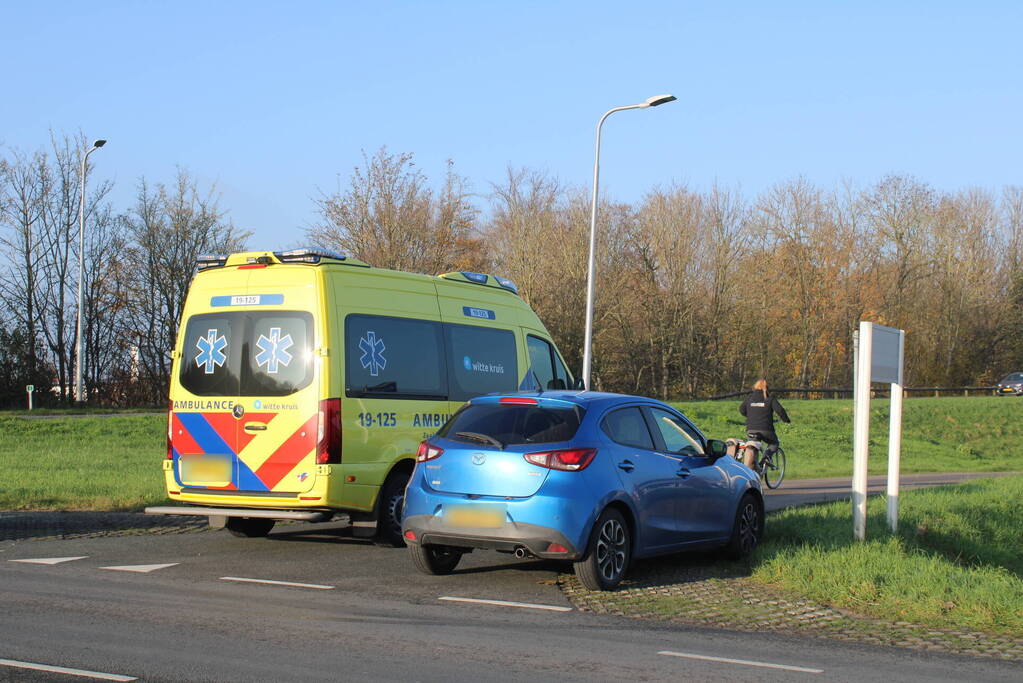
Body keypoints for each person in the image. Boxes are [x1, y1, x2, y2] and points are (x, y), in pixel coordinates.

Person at [739, 379, 790, 470]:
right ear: (766, 388)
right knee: (774, 443)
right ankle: (766, 457)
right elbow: (780, 410)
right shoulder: (770, 399)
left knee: (752, 446)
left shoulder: (749, 398)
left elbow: (742, 410)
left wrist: (751, 416)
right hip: (767, 430)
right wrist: (786, 420)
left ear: (755, 387)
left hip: (751, 429)